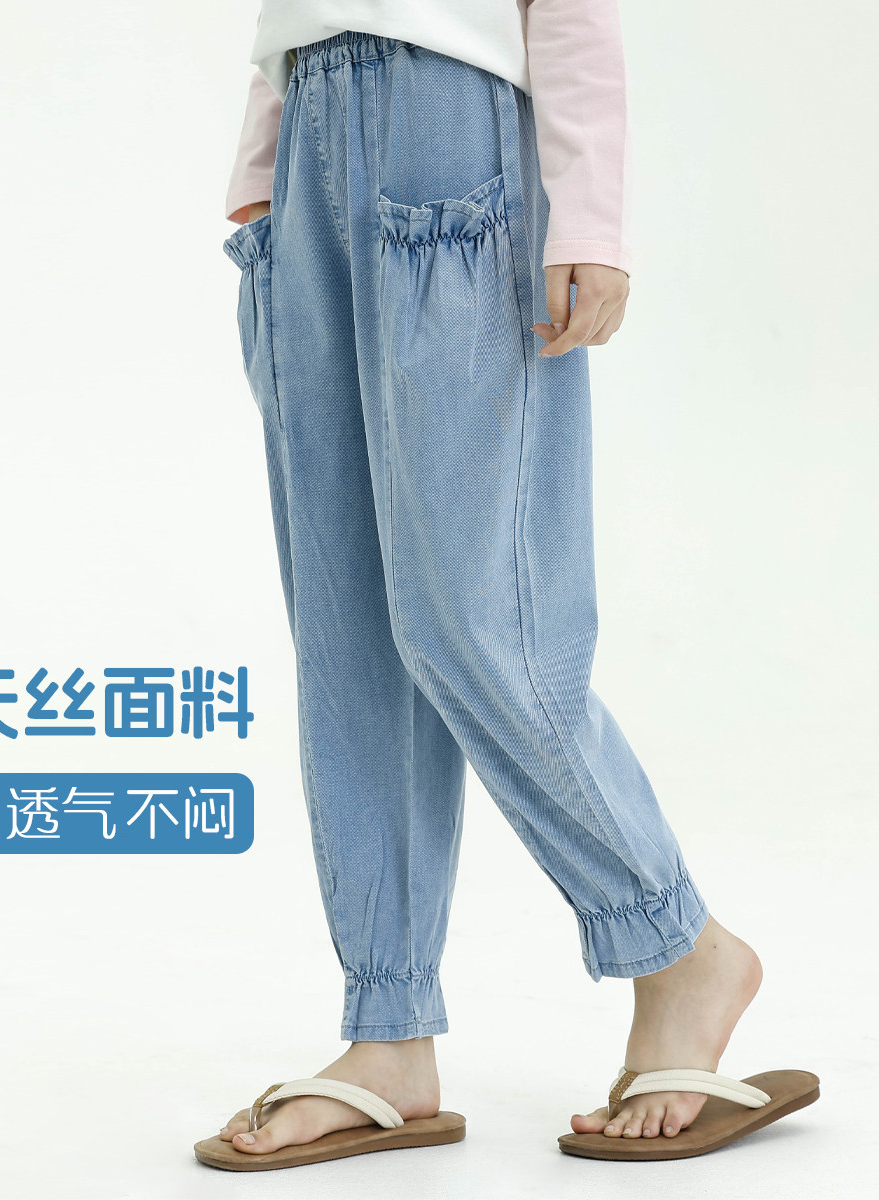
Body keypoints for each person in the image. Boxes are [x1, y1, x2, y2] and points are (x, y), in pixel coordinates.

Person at [195, 0, 818, 1171]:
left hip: (452, 126)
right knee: (349, 638)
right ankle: (389, 1031)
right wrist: (269, 153)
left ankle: (678, 944)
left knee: (473, 622)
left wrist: (590, 215)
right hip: (305, 130)